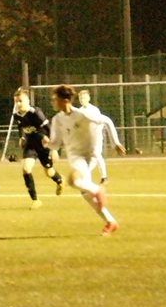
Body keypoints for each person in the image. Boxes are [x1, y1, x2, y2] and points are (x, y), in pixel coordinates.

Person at [46, 84, 126, 235]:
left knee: (73, 181)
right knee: (85, 194)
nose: (53, 102)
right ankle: (111, 222)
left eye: (55, 99)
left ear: (65, 100)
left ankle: (98, 190)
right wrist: (47, 143)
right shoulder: (57, 119)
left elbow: (107, 121)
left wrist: (115, 142)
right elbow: (56, 144)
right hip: (74, 157)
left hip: (87, 156)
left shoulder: (82, 114)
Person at [12, 87, 65, 207]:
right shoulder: (16, 115)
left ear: (27, 101)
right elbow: (20, 127)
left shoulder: (35, 113)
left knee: (49, 172)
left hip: (43, 146)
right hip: (30, 145)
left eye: (20, 101)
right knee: (26, 169)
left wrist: (54, 149)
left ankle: (60, 180)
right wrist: (22, 137)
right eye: (16, 101)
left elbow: (49, 129)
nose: (18, 104)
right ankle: (35, 200)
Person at [76, 89, 124, 184]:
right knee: (92, 157)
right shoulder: (79, 111)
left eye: (84, 97)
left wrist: (115, 142)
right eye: (81, 98)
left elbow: (104, 121)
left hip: (97, 137)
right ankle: (89, 175)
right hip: (86, 138)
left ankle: (104, 177)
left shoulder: (94, 110)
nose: (82, 100)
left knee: (96, 154)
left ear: (89, 98)